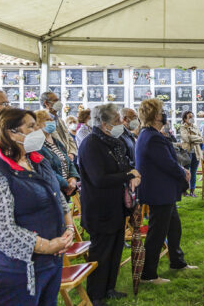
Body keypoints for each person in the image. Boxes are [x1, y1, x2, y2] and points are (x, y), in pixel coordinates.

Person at [0, 108, 74, 305]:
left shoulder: (37, 159)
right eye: (31, 126)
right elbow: (1, 231)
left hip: (50, 263)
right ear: (11, 133)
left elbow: (58, 197)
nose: (38, 130)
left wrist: (69, 229)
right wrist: (47, 246)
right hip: (18, 271)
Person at [78, 104, 141, 305]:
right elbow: (99, 179)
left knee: (115, 250)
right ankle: (96, 294)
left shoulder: (114, 142)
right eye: (116, 120)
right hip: (99, 208)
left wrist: (132, 173)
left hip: (116, 205)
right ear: (104, 124)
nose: (120, 124)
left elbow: (125, 165)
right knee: (101, 252)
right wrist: (127, 174)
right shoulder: (91, 144)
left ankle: (109, 287)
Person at [136, 99, 197, 284]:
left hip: (163, 192)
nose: (165, 114)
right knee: (157, 234)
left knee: (174, 228)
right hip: (159, 192)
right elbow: (167, 163)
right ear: (155, 116)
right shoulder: (152, 136)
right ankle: (148, 274)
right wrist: (183, 172)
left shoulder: (149, 134)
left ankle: (177, 262)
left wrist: (180, 170)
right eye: (162, 111)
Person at [35, 110, 79, 199]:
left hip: (64, 192)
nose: (52, 122)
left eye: (52, 119)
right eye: (48, 119)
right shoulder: (37, 145)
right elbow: (46, 170)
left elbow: (69, 162)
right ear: (38, 124)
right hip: (51, 191)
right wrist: (66, 184)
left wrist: (73, 179)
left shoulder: (57, 142)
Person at [40, 91, 77, 161]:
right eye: (55, 100)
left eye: (59, 100)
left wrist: (71, 153)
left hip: (68, 158)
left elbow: (69, 138)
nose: (59, 102)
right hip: (56, 160)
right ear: (46, 103)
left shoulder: (60, 120)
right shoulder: (41, 122)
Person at [180, 110, 203, 197]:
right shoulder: (182, 127)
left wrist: (192, 138)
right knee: (186, 172)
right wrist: (195, 138)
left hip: (196, 152)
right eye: (189, 117)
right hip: (187, 152)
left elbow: (201, 138)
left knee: (194, 172)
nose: (191, 118)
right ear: (185, 119)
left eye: (192, 117)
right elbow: (186, 138)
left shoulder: (195, 127)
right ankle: (184, 191)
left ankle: (192, 191)